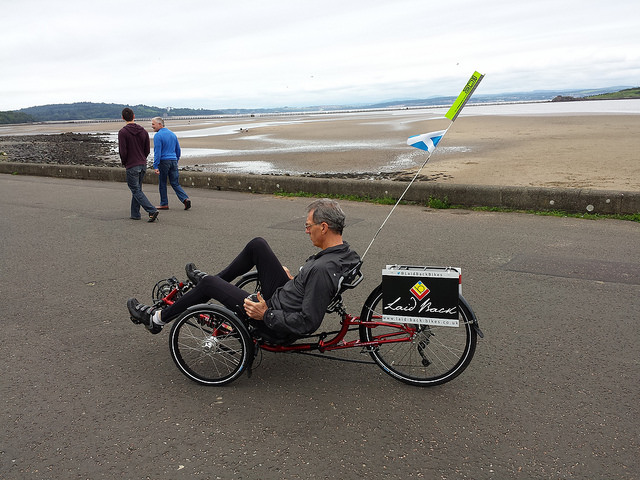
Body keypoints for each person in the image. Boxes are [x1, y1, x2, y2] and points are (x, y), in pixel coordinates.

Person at [128, 199, 361, 342]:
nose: (306, 231)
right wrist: (297, 280)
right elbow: (312, 287)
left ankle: (156, 319)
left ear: (324, 227)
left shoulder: (322, 269)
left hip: (273, 317)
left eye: (308, 226)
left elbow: (307, 322)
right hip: (286, 295)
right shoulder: (343, 253)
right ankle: (213, 283)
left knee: (209, 284)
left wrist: (265, 314)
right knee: (258, 245)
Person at [118, 108, 159, 222]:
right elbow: (147, 149)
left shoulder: (123, 132)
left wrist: (125, 162)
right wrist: (142, 158)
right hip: (142, 163)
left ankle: (151, 210)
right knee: (137, 189)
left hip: (132, 164)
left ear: (122, 117)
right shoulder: (143, 131)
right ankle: (135, 213)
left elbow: (123, 151)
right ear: (134, 116)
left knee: (135, 189)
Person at [150, 117, 191, 210]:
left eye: (153, 124)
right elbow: (178, 150)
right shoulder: (172, 134)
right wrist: (176, 160)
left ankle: (164, 203)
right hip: (173, 160)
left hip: (164, 161)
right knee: (175, 183)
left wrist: (155, 165)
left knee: (162, 183)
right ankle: (185, 199)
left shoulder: (158, 136)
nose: (152, 126)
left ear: (160, 124)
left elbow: (157, 152)